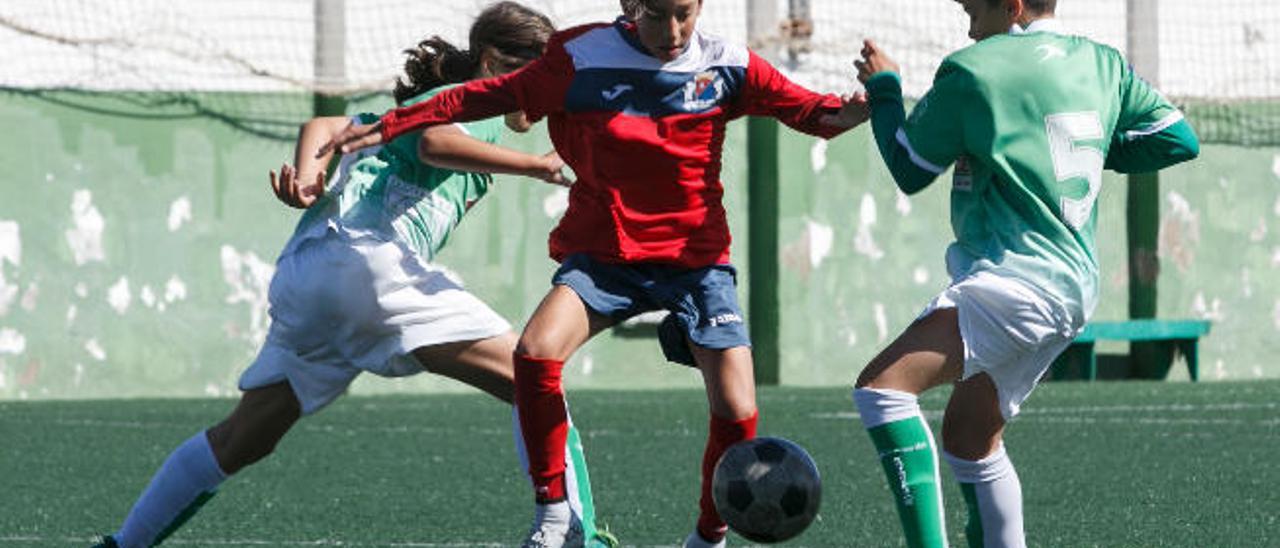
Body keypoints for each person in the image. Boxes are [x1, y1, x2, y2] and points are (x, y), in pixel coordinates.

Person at [319, 1, 868, 546]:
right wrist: (391, 125)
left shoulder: (729, 65)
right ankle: (555, 514)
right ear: (630, 4)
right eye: (657, 14)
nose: (672, 31)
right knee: (534, 353)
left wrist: (878, 101)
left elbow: (822, 117)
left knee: (739, 410)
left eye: (685, 13)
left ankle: (708, 536)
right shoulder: (579, 56)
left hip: (696, 262)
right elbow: (482, 95)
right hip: (605, 256)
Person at [91, 3, 618, 547]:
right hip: (369, 264)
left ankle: (122, 544)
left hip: (309, 273)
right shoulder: (474, 102)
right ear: (492, 63)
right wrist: (538, 166)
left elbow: (324, 124)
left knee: (243, 439)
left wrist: (309, 176)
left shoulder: (409, 111)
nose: (547, 89)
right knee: (531, 375)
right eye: (539, 73)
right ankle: (576, 536)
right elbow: (434, 142)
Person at [849, 0, 1200, 546]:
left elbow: (909, 167)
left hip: (1014, 283)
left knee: (883, 392)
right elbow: (1178, 139)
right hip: (1072, 290)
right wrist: (1078, 156)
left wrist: (886, 88)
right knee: (970, 438)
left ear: (1011, 5)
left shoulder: (973, 69)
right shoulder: (1104, 63)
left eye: (973, 3)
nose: (965, 14)